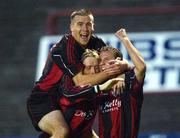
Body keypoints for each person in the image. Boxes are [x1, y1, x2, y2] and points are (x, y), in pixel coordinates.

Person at [27, 9, 129, 138]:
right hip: (45, 98)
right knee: (61, 131)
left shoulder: (97, 43)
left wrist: (123, 66)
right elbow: (80, 82)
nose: (85, 29)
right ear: (71, 27)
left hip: (71, 100)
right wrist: (113, 73)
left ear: (93, 26)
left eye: (89, 24)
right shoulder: (63, 48)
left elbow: (116, 61)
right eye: (80, 24)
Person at [97, 28, 146, 138]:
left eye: (106, 59)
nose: (102, 63)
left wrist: (124, 39)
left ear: (118, 60)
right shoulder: (99, 86)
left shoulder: (129, 81)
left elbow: (141, 67)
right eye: (100, 61)